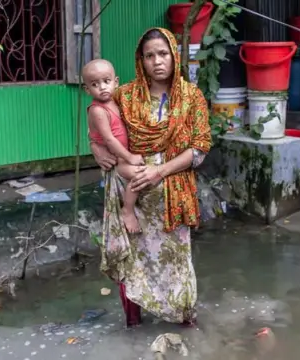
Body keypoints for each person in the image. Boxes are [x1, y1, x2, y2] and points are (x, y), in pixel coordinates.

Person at [90, 27, 212, 328]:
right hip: (129, 191)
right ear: (140, 60)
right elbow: (99, 122)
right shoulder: (124, 95)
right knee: (132, 261)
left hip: (172, 193)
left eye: (163, 53)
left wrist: (160, 171)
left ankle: (185, 323)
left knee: (177, 263)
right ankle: (133, 324)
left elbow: (200, 149)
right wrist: (96, 151)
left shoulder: (191, 97)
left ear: (174, 55)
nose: (157, 61)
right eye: (149, 55)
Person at [83, 59, 145, 234]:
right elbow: (109, 140)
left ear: (116, 82)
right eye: (95, 84)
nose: (102, 87)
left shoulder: (117, 100)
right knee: (139, 176)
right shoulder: (97, 110)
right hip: (118, 160)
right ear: (87, 90)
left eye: (106, 81)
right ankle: (128, 210)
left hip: (124, 154)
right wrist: (129, 157)